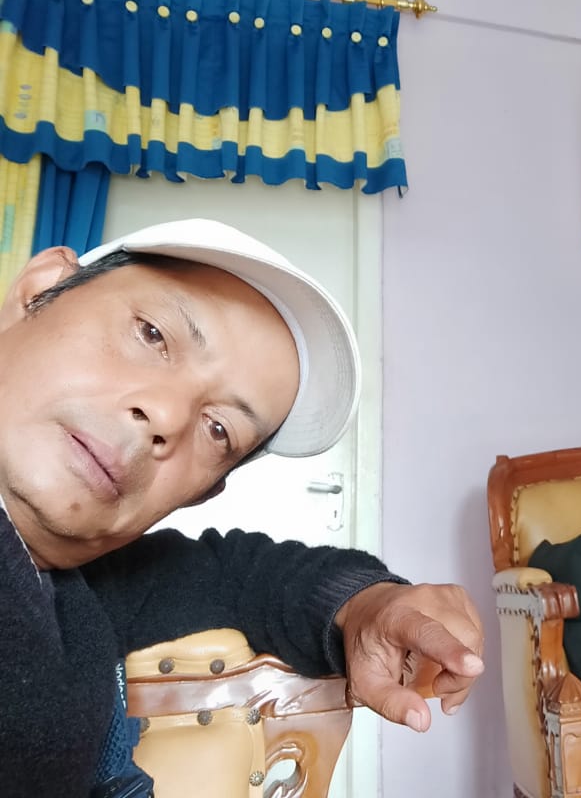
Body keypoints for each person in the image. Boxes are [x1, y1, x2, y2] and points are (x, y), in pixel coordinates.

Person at [0, 218, 485, 798]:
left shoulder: (82, 592)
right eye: (153, 335)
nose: (167, 415)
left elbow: (237, 574)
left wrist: (368, 606)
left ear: (199, 494)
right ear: (39, 289)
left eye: (218, 429)